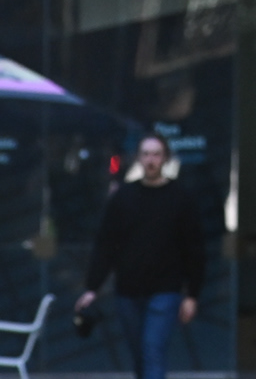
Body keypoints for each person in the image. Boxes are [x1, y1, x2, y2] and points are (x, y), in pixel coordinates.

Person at [77, 133, 204, 379]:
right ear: (138, 158)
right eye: (146, 154)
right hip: (128, 291)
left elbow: (194, 249)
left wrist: (192, 294)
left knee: (151, 350)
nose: (151, 160)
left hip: (165, 290)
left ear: (165, 158)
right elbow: (106, 245)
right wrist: (93, 287)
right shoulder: (123, 198)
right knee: (140, 354)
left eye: (156, 154)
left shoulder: (180, 198)